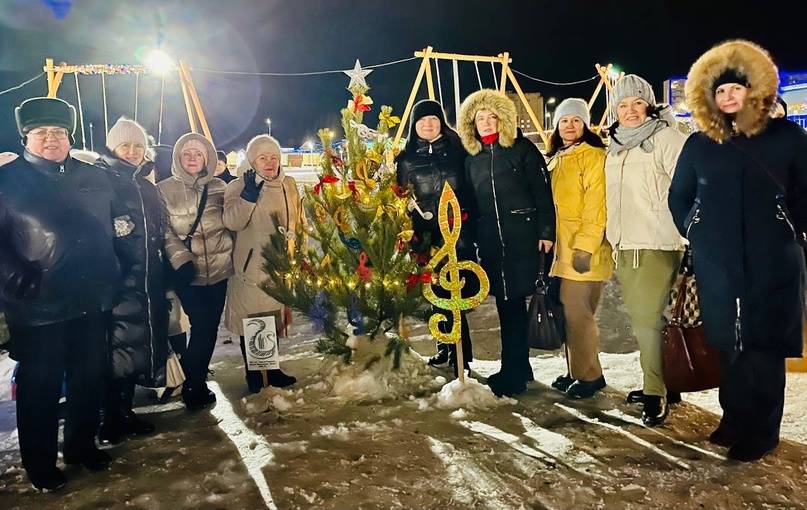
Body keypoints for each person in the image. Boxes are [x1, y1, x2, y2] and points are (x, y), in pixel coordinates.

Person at [669, 40, 807, 461]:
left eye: (736, 88)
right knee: (729, 343)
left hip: (772, 258)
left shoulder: (786, 137)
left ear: (754, 90)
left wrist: (791, 227)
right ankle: (733, 418)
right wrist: (695, 229)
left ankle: (762, 431)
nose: (728, 96)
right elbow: (679, 196)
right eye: (721, 90)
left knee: (763, 345)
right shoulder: (700, 144)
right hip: (719, 260)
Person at [0, 97, 121, 490]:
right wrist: (13, 275)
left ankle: (81, 446)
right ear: (26, 137)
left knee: (89, 379)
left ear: (69, 137)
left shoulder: (93, 176)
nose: (51, 138)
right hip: (39, 305)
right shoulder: (7, 180)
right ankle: (39, 464)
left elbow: (114, 223)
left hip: (92, 299)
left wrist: (114, 267)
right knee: (40, 388)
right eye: (41, 132)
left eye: (59, 132)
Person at [457, 89, 555, 397]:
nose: (486, 123)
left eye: (492, 117)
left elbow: (543, 193)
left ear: (503, 120)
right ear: (472, 124)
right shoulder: (473, 160)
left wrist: (546, 232)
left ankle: (512, 373)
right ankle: (519, 366)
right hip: (492, 242)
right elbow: (472, 203)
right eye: (480, 118)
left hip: (523, 237)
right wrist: (473, 237)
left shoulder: (522, 149)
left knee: (513, 302)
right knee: (505, 302)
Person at [604, 75, 688, 426]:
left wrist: (688, 235)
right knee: (650, 319)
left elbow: (687, 189)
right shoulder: (615, 145)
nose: (631, 111)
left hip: (655, 242)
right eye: (623, 105)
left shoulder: (666, 139)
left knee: (646, 320)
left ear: (649, 105)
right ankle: (667, 384)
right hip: (625, 243)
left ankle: (655, 393)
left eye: (637, 103)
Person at [93, 118, 172, 444]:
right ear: (113, 148)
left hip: (146, 282)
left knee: (133, 351)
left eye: (138, 145)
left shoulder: (146, 186)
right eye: (125, 145)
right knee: (111, 352)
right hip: (116, 285)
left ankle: (124, 412)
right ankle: (106, 418)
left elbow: (160, 232)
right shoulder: (100, 181)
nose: (132, 151)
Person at [395, 99, 476, 377]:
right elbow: (400, 196)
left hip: (456, 233)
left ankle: (461, 354)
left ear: (441, 122)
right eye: (422, 121)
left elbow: (470, 188)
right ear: (414, 126)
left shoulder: (458, 151)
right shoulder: (405, 159)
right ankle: (444, 346)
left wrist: (468, 219)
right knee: (435, 294)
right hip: (425, 237)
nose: (428, 125)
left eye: (433, 119)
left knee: (457, 292)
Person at [158, 133, 234, 410]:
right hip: (187, 273)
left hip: (220, 268)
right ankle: (193, 384)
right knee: (201, 325)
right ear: (178, 158)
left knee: (209, 328)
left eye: (198, 154)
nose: (192, 158)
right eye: (186, 153)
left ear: (207, 159)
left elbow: (231, 221)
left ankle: (194, 379)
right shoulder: (164, 189)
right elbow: (164, 230)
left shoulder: (219, 187)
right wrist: (182, 259)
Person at [223, 135, 302, 391]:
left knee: (274, 318)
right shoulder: (237, 186)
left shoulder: (288, 184)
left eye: (274, 157)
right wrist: (248, 196)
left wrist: (298, 251)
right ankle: (256, 376)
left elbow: (298, 219)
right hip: (252, 266)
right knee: (255, 321)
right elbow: (232, 222)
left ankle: (273, 370)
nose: (269, 162)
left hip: (281, 265)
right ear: (252, 161)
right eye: (263, 158)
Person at [545, 98, 612, 399]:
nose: (569, 126)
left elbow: (597, 206)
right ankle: (576, 370)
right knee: (568, 313)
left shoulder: (593, 156)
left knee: (578, 313)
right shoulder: (557, 158)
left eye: (576, 120)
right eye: (564, 121)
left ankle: (590, 376)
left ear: (585, 125)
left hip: (583, 250)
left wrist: (585, 247)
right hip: (561, 250)